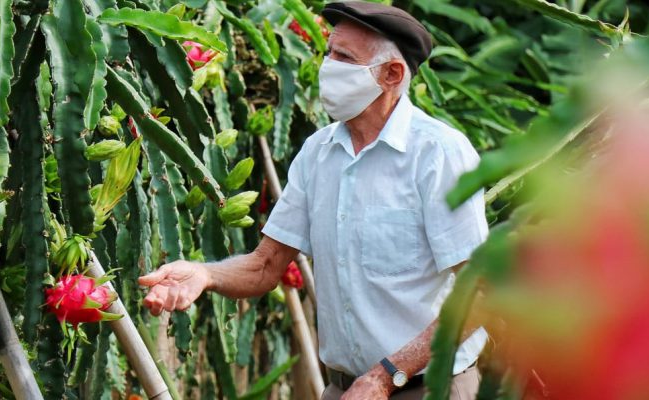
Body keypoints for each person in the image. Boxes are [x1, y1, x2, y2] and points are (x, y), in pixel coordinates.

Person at [138, 2, 488, 399]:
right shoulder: (317, 154)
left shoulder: (438, 155)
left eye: (344, 57)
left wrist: (387, 376)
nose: (328, 67)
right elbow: (265, 266)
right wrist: (205, 274)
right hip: (346, 388)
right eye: (328, 53)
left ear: (392, 74)